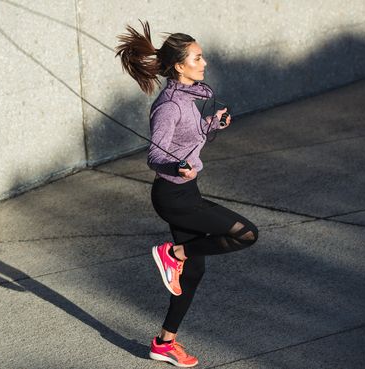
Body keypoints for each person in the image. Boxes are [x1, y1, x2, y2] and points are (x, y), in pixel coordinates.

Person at [116, 21, 259, 367]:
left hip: (185, 192)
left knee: (193, 275)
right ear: (180, 66)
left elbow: (187, 139)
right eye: (198, 57)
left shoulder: (188, 98)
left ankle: (164, 343)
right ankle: (173, 252)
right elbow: (156, 154)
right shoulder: (169, 106)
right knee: (246, 233)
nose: (204, 62)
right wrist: (176, 166)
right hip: (174, 197)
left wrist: (211, 126)